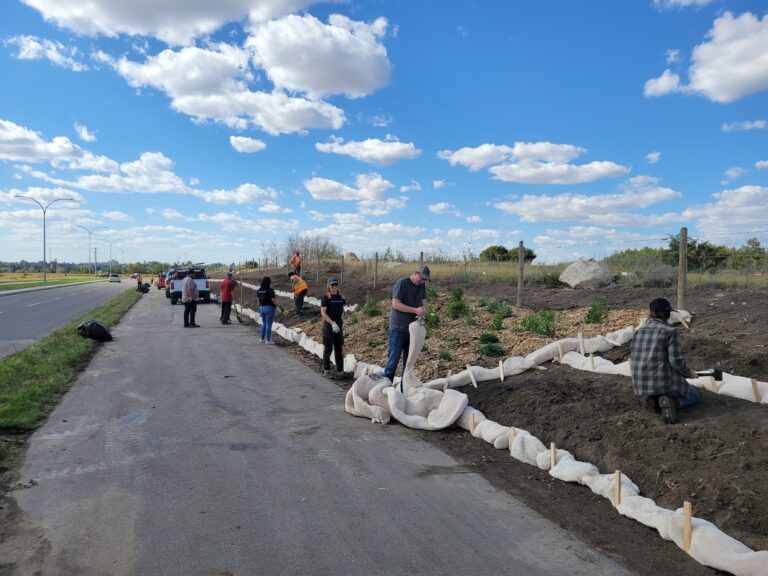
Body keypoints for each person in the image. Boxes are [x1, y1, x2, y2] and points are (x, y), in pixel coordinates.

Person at [630, 297, 699, 424]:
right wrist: (689, 373)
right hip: (662, 383)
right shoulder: (670, 332)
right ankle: (674, 402)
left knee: (662, 388)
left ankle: (655, 400)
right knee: (694, 394)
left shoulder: (638, 332)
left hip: (640, 385)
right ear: (667, 314)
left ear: (651, 313)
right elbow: (676, 361)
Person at [382, 265, 430, 385]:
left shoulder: (422, 286)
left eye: (425, 280)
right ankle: (384, 388)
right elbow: (396, 304)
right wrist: (415, 310)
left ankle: (404, 389)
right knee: (392, 362)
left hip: (412, 331)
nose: (422, 282)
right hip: (398, 329)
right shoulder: (402, 283)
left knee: (408, 364)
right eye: (421, 278)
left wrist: (422, 315)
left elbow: (423, 302)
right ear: (416, 273)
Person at [320, 276, 349, 378]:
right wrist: (332, 323)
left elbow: (343, 307)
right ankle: (327, 370)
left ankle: (340, 371)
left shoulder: (340, 297)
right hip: (329, 325)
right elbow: (323, 313)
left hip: (339, 325)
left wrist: (341, 320)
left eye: (336, 285)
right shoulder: (326, 298)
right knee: (328, 348)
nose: (334, 287)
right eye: (332, 285)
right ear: (328, 286)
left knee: (339, 348)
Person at [256, 276, 280, 344]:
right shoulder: (269, 290)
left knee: (264, 324)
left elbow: (258, 301)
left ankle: (262, 339)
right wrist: (279, 306)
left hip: (261, 308)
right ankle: (268, 340)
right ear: (269, 282)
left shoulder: (259, 290)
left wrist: (260, 307)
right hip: (269, 308)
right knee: (269, 324)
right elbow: (273, 299)